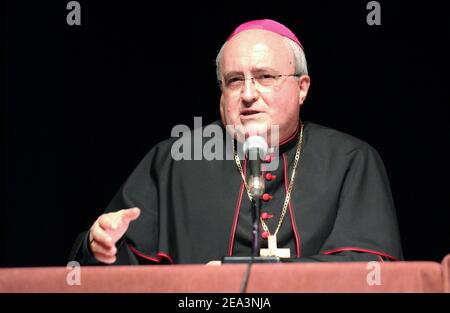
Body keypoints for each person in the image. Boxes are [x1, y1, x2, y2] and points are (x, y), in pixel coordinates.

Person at [69, 19, 403, 265]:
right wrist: (99, 247)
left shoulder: (351, 159)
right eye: (233, 81)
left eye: (265, 77)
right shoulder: (174, 160)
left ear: (302, 87)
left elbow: (369, 268)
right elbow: (113, 267)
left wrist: (263, 277)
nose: (246, 95)